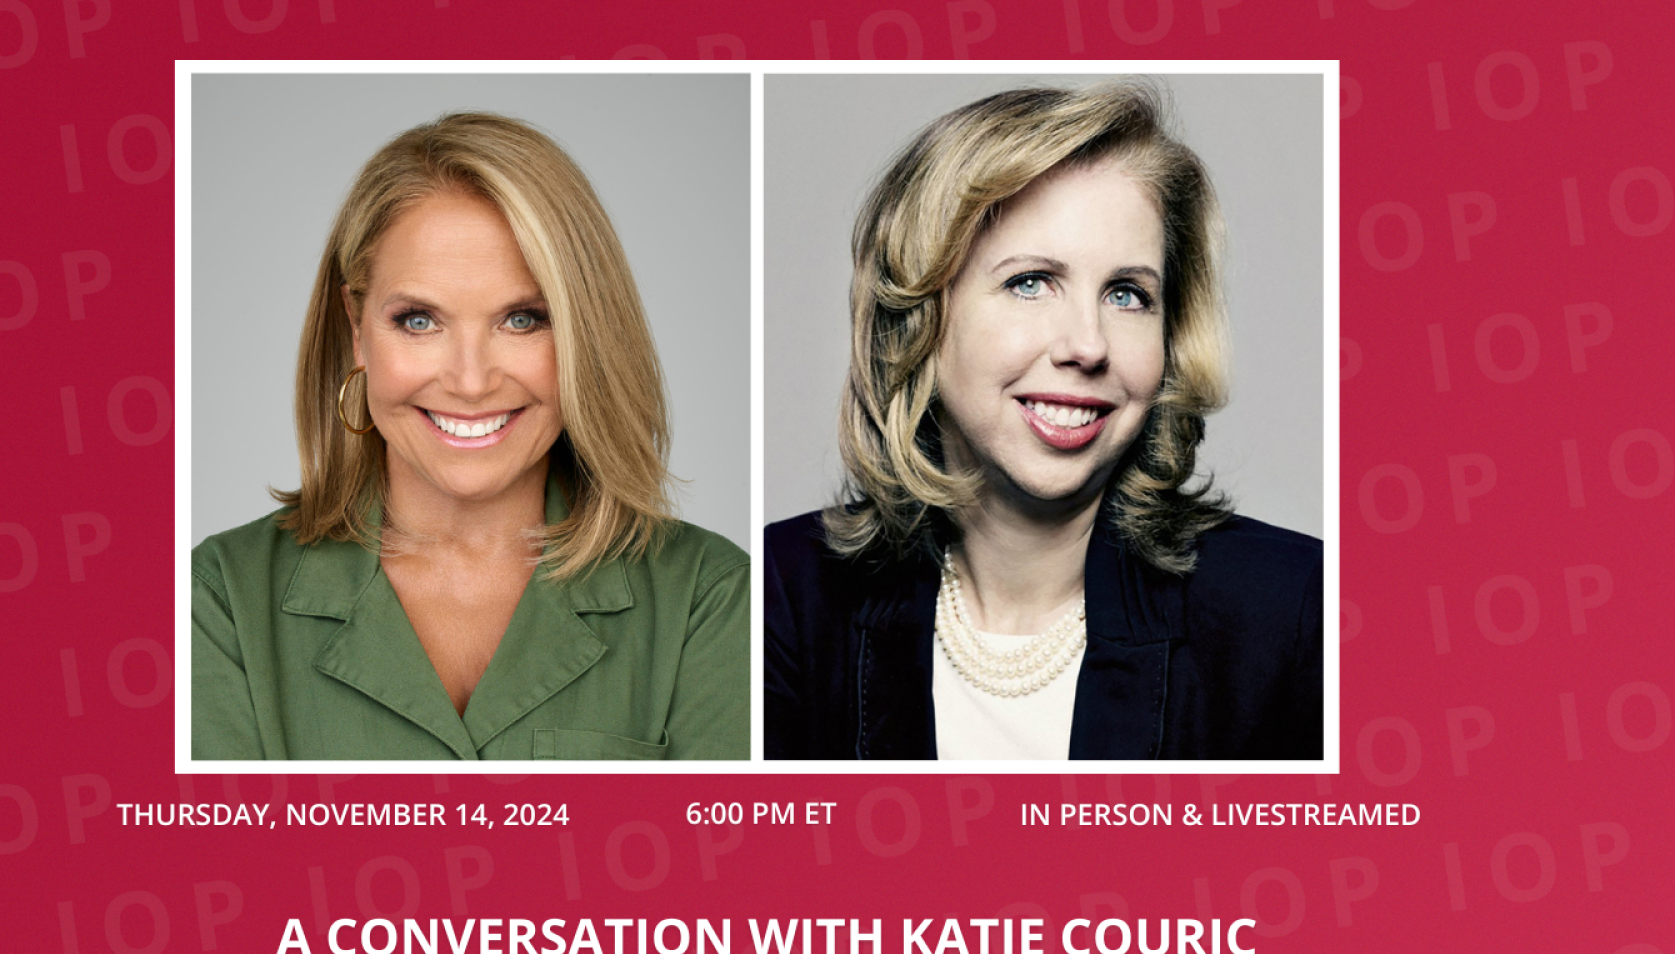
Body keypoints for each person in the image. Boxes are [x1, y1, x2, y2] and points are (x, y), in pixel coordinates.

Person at [765, 82, 1320, 761]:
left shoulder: (1297, 612)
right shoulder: (781, 596)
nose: (1087, 345)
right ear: (921, 315)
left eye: (1127, 294)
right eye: (1030, 281)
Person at [194, 112, 748, 761]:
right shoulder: (219, 598)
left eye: (522, 318)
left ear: (584, 329)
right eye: (419, 320)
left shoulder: (709, 599)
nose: (470, 380)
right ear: (356, 326)